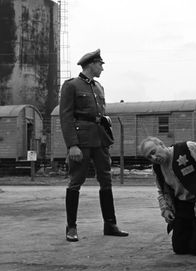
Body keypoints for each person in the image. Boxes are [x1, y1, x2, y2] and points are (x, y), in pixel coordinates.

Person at [59, 49, 128, 242]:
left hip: (100, 140)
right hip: (81, 141)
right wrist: (72, 145)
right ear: (90, 64)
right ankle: (71, 227)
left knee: (106, 180)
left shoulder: (99, 87)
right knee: (76, 181)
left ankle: (110, 224)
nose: (102, 68)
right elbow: (66, 117)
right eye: (100, 64)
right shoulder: (71, 85)